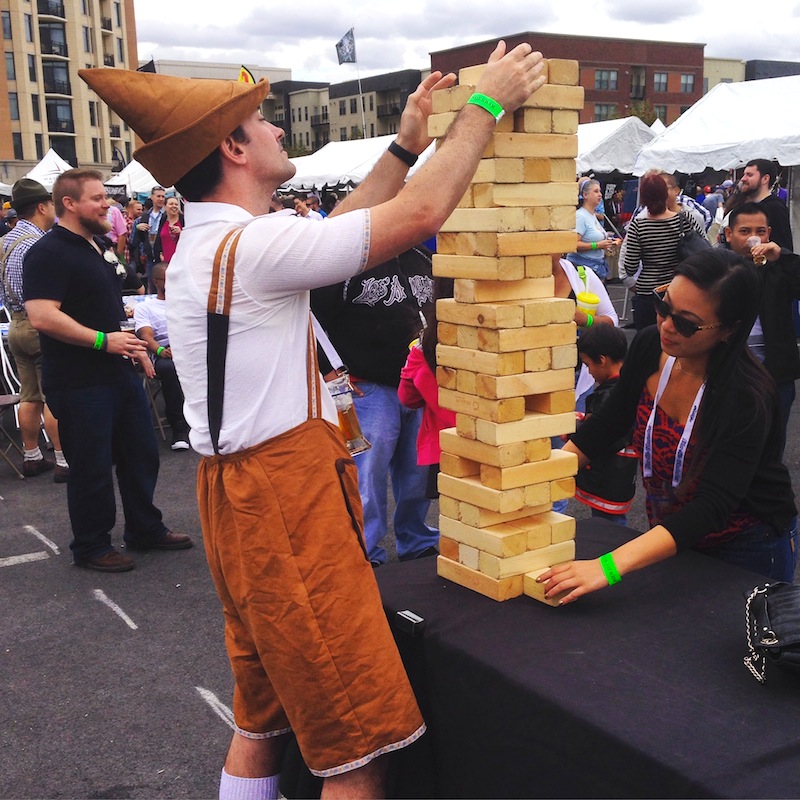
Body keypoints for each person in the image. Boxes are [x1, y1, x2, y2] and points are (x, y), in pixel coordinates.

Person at [80, 39, 547, 799]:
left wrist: (402, 145)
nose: (274, 130)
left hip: (242, 498)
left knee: (261, 723)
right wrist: (488, 102)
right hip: (284, 504)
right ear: (233, 147)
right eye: (261, 122)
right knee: (359, 750)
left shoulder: (220, 243)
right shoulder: (251, 246)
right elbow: (422, 213)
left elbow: (341, 231)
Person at [539, 249, 797, 604]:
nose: (667, 326)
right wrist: (540, 478)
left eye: (687, 322)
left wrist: (608, 567)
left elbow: (712, 506)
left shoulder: (747, 396)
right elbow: (609, 424)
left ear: (729, 330)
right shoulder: (649, 344)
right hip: (672, 531)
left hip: (745, 545)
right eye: (664, 305)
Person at [23, 169, 193, 573]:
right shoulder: (48, 252)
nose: (108, 205)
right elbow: (42, 316)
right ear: (69, 202)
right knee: (92, 467)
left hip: (118, 373)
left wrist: (133, 346)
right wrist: (103, 341)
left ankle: (144, 528)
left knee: (142, 455)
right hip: (79, 382)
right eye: (98, 198)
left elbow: (112, 307)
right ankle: (91, 546)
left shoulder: (98, 246)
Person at [312, 246, 441, 566]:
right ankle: (364, 550)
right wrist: (327, 370)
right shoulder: (345, 264)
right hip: (365, 387)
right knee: (365, 476)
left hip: (419, 383)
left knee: (418, 472)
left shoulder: (423, 257)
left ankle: (416, 539)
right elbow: (304, 318)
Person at [0, 178, 68, 480]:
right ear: (42, 206)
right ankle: (63, 459)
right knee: (52, 392)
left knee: (28, 395)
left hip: (14, 324)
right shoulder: (38, 243)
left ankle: (31, 455)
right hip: (37, 323)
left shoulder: (5, 241)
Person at [724, 202, 800, 452]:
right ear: (729, 234)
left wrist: (783, 257)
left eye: (760, 231)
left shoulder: (780, 268)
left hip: (776, 374)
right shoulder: (718, 270)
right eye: (744, 231)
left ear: (769, 233)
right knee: (729, 445)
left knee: (772, 446)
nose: (753, 238)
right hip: (730, 373)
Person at [622, 171, 704, 330]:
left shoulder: (638, 226)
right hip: (678, 289)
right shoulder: (684, 218)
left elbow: (630, 267)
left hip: (648, 293)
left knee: (648, 341)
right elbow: (702, 246)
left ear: (643, 197)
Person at [397, 277, 455, 499]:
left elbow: (407, 397)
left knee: (457, 519)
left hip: (447, 446)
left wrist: (415, 358)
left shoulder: (427, 344)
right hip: (495, 438)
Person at [573, 325, 637, 523]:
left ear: (602, 360)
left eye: (588, 364)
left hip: (610, 477)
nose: (589, 372)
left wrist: (577, 430)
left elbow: (604, 433)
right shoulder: (628, 383)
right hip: (617, 476)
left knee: (608, 524)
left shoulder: (612, 396)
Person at [133, 261, 190, 451]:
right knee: (170, 369)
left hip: (189, 346)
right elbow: (146, 335)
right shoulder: (146, 307)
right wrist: (159, 350)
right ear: (156, 282)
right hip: (164, 351)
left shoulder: (186, 302)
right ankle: (179, 429)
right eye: (168, 280)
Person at [566, 178, 619, 282]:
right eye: (595, 191)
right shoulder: (580, 216)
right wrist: (597, 245)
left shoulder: (592, 215)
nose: (600, 194)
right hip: (583, 270)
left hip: (596, 267)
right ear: (585, 195)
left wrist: (607, 244)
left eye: (599, 191)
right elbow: (573, 244)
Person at [737, 159, 793, 250]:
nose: (743, 179)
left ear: (765, 179)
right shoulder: (748, 205)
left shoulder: (775, 207)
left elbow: (783, 248)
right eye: (744, 174)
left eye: (749, 175)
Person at [130, 185, 167, 291]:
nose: (160, 199)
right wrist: (137, 228)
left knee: (166, 286)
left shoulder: (167, 215)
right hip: (150, 257)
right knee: (153, 285)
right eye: (158, 196)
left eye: (163, 196)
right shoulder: (145, 216)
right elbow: (134, 241)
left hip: (164, 257)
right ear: (152, 197)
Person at [152, 196, 184, 263]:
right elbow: (159, 239)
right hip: (165, 261)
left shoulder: (183, 220)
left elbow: (191, 238)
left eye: (176, 204)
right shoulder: (163, 220)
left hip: (181, 260)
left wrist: (181, 233)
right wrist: (159, 253)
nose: (174, 206)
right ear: (165, 206)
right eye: (171, 204)